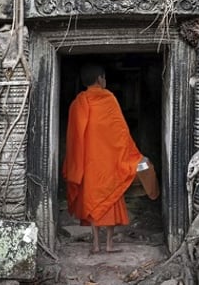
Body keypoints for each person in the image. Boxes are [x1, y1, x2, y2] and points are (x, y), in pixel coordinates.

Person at [62, 63, 158, 254]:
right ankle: (109, 245)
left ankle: (96, 245)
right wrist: (133, 155)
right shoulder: (108, 99)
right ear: (100, 79)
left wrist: (75, 164)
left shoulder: (77, 104)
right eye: (104, 78)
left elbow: (73, 139)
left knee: (92, 201)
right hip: (109, 163)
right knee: (111, 199)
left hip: (88, 164)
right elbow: (120, 134)